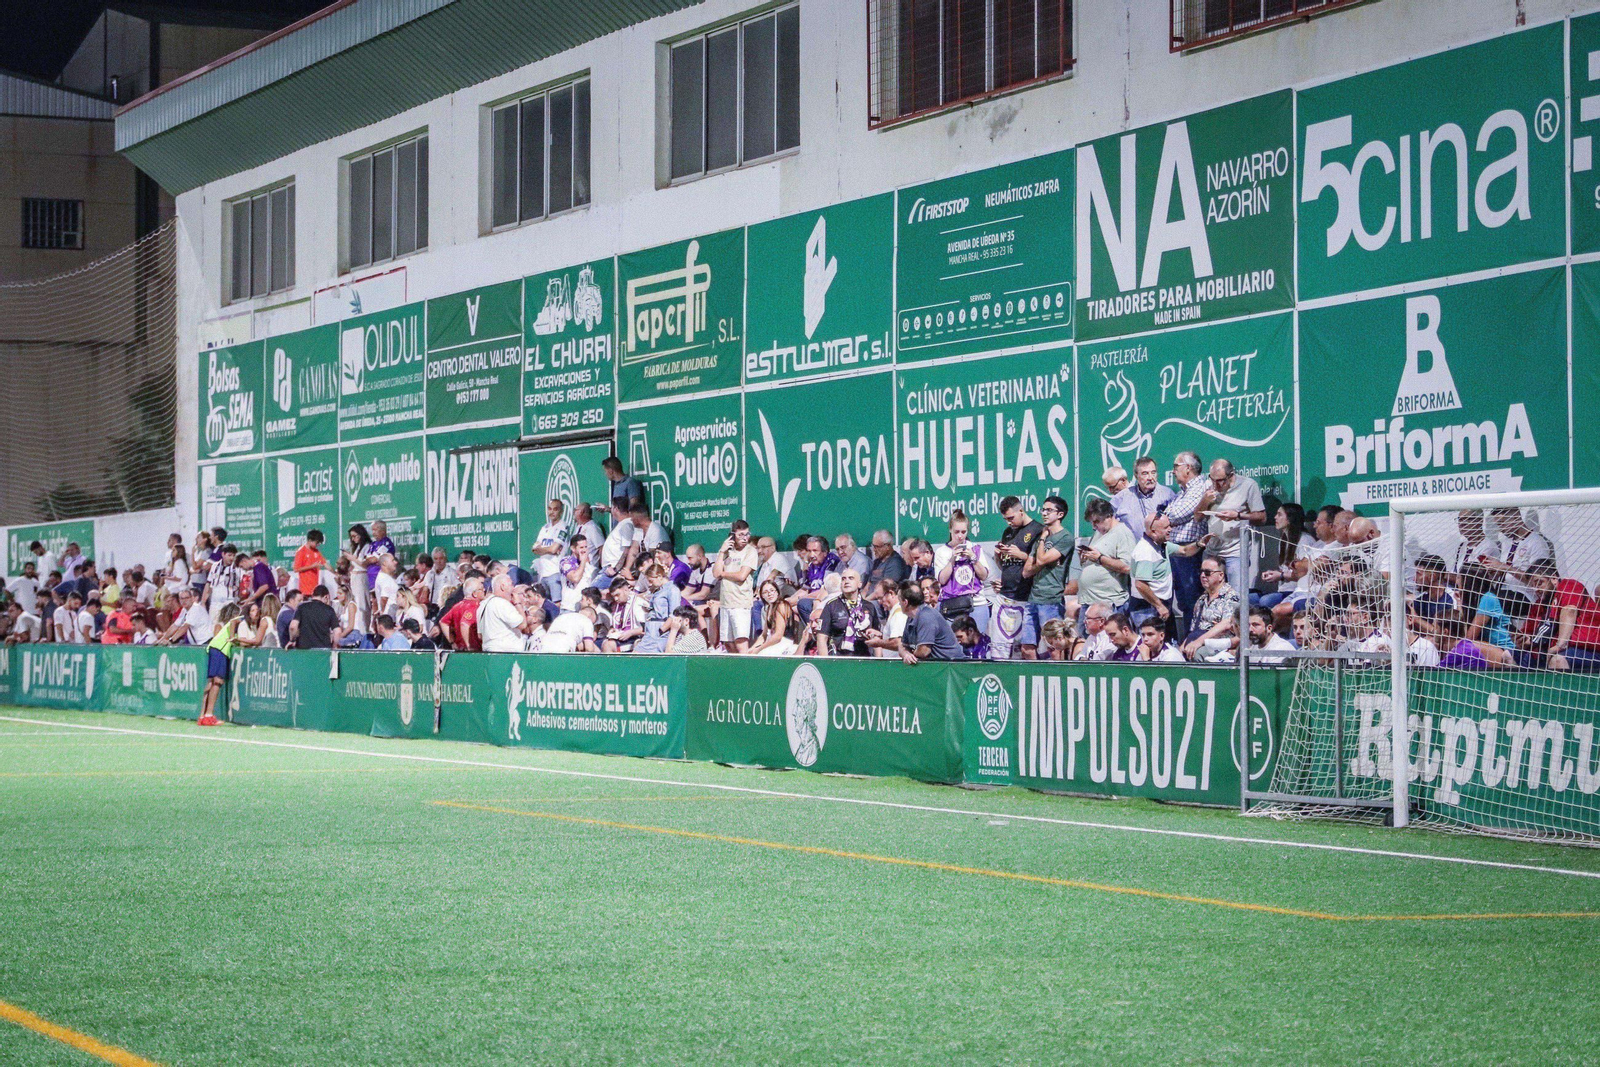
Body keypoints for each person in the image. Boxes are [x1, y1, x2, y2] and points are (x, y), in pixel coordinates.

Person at [989, 496, 1045, 659]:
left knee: (1021, 649)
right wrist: (998, 555)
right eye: (1005, 519)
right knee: (999, 649)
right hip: (1004, 597)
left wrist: (1021, 555)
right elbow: (1005, 565)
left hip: (1025, 598)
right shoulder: (1008, 532)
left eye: (1011, 518)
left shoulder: (1037, 530)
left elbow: (1041, 562)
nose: (1009, 523)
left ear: (1021, 511)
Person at [1162, 451, 1216, 621]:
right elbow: (1168, 514)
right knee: (1184, 601)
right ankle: (1186, 640)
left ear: (1188, 468)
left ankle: (1194, 640)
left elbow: (1177, 515)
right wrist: (1169, 519)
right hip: (1177, 550)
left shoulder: (1200, 486)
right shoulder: (1182, 493)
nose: (1172, 471)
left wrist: (1169, 520)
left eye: (1175, 466)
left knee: (1193, 598)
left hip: (1191, 550)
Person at [1204, 459, 1266, 593]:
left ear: (1231, 475)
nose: (1215, 485)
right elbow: (1197, 516)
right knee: (1211, 594)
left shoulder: (1248, 485)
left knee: (1236, 596)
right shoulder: (1208, 485)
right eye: (1212, 479)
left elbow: (1261, 517)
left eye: (1220, 481)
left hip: (1236, 552)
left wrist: (1238, 516)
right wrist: (1205, 500)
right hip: (1212, 551)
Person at [1073, 497, 1137, 620]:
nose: (1094, 526)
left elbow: (1127, 566)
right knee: (1086, 638)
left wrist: (1100, 558)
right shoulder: (1100, 532)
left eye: (1097, 521)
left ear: (1108, 516)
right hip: (1089, 600)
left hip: (1108, 602)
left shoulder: (1122, 533)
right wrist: (1085, 557)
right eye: (1092, 522)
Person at [1023, 496, 1073, 643]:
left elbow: (1040, 560)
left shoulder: (1065, 538)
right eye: (1043, 510)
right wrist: (1043, 561)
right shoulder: (1040, 538)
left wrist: (1044, 539)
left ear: (1060, 514)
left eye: (1049, 510)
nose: (1044, 513)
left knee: (1054, 645)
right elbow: (1026, 571)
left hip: (1051, 599)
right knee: (1027, 646)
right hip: (1033, 598)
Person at [934, 510, 990, 627]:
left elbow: (984, 576)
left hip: (976, 603)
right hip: (952, 605)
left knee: (977, 643)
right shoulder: (941, 552)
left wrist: (973, 558)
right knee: (955, 644)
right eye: (956, 532)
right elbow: (942, 580)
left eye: (963, 532)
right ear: (950, 530)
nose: (960, 536)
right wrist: (952, 559)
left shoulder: (975, 548)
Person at [713, 520, 759, 653]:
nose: (745, 538)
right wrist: (722, 552)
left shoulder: (751, 552)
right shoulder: (727, 551)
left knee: (741, 642)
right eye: (741, 535)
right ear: (732, 535)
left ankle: (746, 671)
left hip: (740, 603)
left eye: (747, 534)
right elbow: (716, 573)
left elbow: (741, 576)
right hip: (726, 602)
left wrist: (723, 573)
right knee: (727, 642)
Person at [1183, 560, 1240, 662]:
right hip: (1198, 639)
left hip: (1220, 645)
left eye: (1208, 572)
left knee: (1197, 654)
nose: (1203, 575)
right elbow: (1194, 629)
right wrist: (1182, 647)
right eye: (1201, 572)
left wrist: (1199, 642)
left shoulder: (1231, 597)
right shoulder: (1201, 600)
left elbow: (1227, 623)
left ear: (1221, 576)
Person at [816, 570, 882, 656]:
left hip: (864, 659)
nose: (846, 581)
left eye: (851, 578)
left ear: (859, 584)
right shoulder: (831, 606)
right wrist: (826, 664)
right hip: (839, 660)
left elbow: (876, 638)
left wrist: (878, 661)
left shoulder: (869, 607)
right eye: (843, 579)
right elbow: (821, 637)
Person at [898, 580, 965, 664]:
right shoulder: (911, 617)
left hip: (951, 667)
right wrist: (906, 654)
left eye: (899, 600)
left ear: (905, 602)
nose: (899, 604)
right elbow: (902, 645)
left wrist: (911, 653)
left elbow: (924, 651)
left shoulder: (926, 616)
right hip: (935, 667)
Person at [1130, 513, 1176, 633]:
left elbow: (1185, 551)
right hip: (1147, 608)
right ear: (1154, 531)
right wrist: (1159, 606)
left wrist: (1199, 544)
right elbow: (1140, 584)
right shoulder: (1145, 551)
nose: (1170, 529)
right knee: (1149, 645)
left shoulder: (1161, 545)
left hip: (1159, 606)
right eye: (1166, 527)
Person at [198, 604, 242, 726]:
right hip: (220, 651)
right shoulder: (232, 623)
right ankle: (209, 715)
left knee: (211, 682)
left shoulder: (224, 627)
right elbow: (232, 636)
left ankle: (202, 716)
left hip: (214, 649)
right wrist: (237, 639)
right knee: (217, 681)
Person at [1111, 457, 1174, 541]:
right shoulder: (1121, 498)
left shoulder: (1168, 495)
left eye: (1153, 472)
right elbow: (1106, 523)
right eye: (1145, 473)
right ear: (1136, 476)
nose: (1150, 477)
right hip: (1133, 551)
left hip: (1161, 550)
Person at [635, 564, 683, 653]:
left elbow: (675, 613)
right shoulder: (659, 590)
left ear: (659, 576)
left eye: (651, 581)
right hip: (651, 629)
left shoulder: (672, 590)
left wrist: (662, 630)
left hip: (658, 630)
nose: (650, 584)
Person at [479, 575, 531, 652]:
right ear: (503, 587)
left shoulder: (482, 605)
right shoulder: (501, 603)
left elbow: (480, 635)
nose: (513, 588)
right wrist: (517, 603)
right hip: (505, 652)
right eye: (511, 584)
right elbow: (522, 625)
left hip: (490, 650)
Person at [749, 579, 800, 656]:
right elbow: (764, 635)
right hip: (771, 642)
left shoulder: (781, 606)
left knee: (761, 654)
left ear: (777, 592)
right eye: (765, 592)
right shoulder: (769, 608)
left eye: (772, 590)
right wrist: (752, 649)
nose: (769, 594)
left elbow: (778, 636)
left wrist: (759, 649)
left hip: (783, 642)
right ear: (762, 596)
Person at [530, 499, 574, 581]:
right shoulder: (545, 527)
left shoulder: (563, 527)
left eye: (555, 509)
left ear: (561, 511)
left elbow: (554, 549)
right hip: (542, 573)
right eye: (549, 509)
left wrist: (542, 549)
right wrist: (548, 549)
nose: (552, 512)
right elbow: (534, 549)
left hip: (556, 572)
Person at [289, 585, 343, 650]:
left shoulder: (301, 607)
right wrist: (334, 645)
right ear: (326, 596)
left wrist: (292, 640)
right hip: (323, 651)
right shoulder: (329, 610)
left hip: (303, 650)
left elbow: (293, 627)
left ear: (313, 595)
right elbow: (337, 631)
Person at [439, 577, 486, 651]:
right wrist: (469, 646)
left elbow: (443, 622)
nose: (484, 590)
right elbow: (464, 624)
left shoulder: (457, 606)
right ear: (474, 594)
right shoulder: (474, 606)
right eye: (481, 589)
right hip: (473, 651)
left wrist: (452, 642)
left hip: (459, 649)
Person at [863, 530, 909, 598]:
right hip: (868, 600)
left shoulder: (895, 563)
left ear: (888, 546)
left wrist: (866, 602)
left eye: (877, 547)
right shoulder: (876, 562)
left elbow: (884, 589)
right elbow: (868, 585)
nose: (874, 550)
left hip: (881, 600)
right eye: (873, 546)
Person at [294, 530, 328, 598]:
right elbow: (296, 569)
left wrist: (336, 573)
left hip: (315, 590)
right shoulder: (301, 551)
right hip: (305, 591)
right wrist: (312, 566)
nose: (318, 544)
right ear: (310, 540)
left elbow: (325, 564)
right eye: (317, 542)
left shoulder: (316, 552)